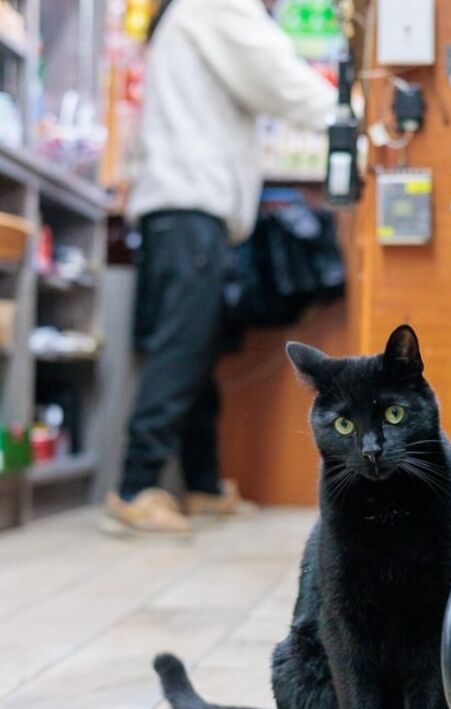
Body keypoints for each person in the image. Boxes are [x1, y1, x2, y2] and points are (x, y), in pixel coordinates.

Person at [104, 0, 336, 537]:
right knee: (183, 344)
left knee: (198, 345)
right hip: (189, 205)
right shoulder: (215, 4)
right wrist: (352, 115)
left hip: (181, 206)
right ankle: (137, 486)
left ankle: (201, 484)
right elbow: (279, 78)